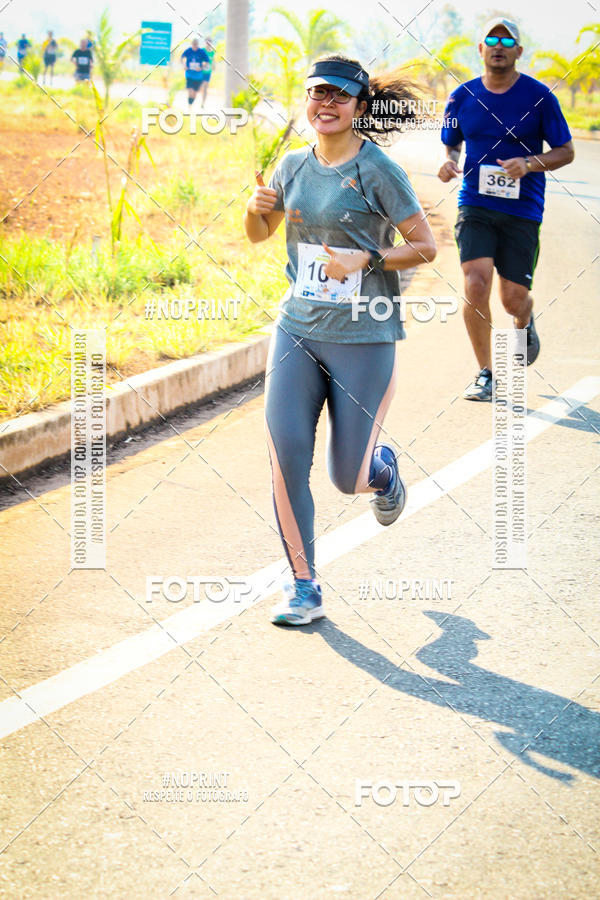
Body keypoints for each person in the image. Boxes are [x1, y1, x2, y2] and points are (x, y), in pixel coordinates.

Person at [244, 55, 436, 625]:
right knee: (285, 460)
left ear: (359, 106)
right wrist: (254, 212)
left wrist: (368, 256)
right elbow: (261, 236)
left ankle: (380, 471)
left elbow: (425, 244)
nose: (324, 104)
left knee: (346, 478)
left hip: (365, 336)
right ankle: (303, 588)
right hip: (297, 330)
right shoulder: (292, 165)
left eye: (337, 96)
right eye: (316, 94)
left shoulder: (378, 170)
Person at [438, 18, 574, 401]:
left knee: (512, 298)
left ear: (518, 50)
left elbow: (566, 151)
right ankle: (485, 373)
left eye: (507, 40)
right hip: (475, 204)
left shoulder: (540, 97)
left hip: (522, 211)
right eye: (491, 39)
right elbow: (451, 143)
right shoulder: (461, 96)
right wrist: (449, 162)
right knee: (475, 284)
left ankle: (525, 321)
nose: (498, 45)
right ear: (480, 49)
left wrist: (529, 164)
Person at [180, 37, 210, 106]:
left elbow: (207, 61)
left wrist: (201, 67)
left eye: (196, 44)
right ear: (191, 44)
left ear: (198, 44)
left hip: (198, 76)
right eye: (193, 44)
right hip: (189, 74)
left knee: (194, 93)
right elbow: (181, 58)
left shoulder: (201, 52)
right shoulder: (188, 50)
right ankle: (189, 106)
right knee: (190, 91)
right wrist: (184, 65)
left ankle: (191, 103)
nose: (194, 46)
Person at [198, 37, 215, 106]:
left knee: (205, 87)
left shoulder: (212, 52)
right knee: (200, 86)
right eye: (207, 42)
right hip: (201, 71)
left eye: (210, 42)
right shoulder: (202, 50)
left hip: (208, 72)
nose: (208, 43)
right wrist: (202, 64)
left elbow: (213, 61)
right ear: (205, 42)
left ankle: (203, 103)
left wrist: (214, 66)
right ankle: (198, 99)